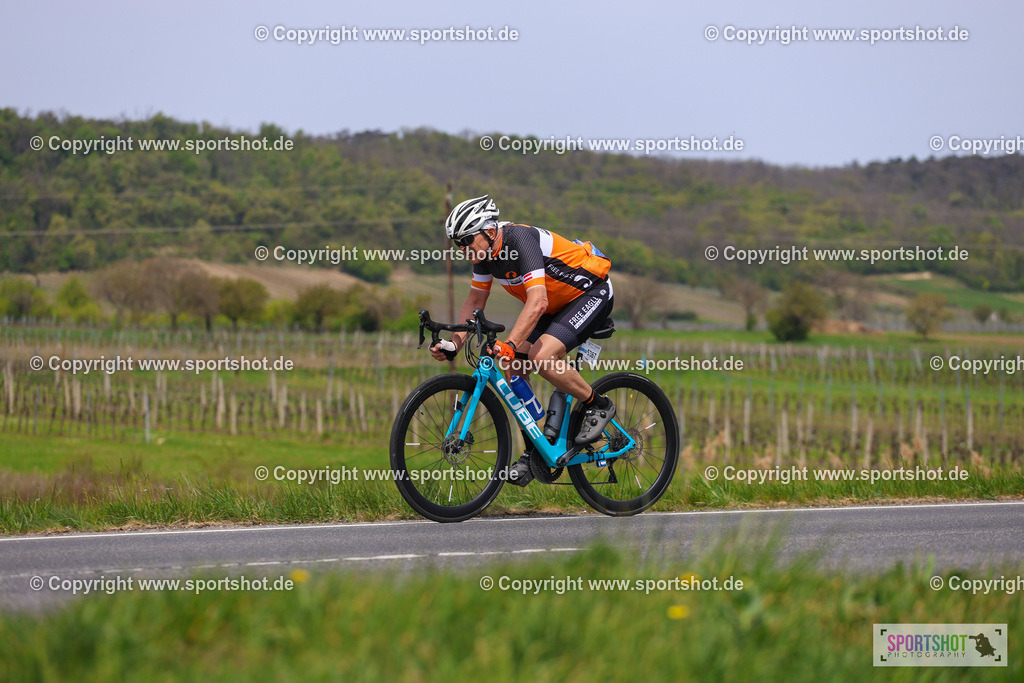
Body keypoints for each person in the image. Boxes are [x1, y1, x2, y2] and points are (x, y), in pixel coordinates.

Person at [430, 194, 616, 485]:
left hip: (589, 294)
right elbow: (475, 301)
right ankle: (536, 449)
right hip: (555, 306)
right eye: (458, 243)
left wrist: (511, 344)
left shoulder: (520, 240)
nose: (463, 249)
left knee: (541, 358)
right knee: (513, 367)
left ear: (489, 232)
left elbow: (537, 301)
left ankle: (599, 404)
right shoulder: (485, 257)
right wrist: (455, 343)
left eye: (467, 240)